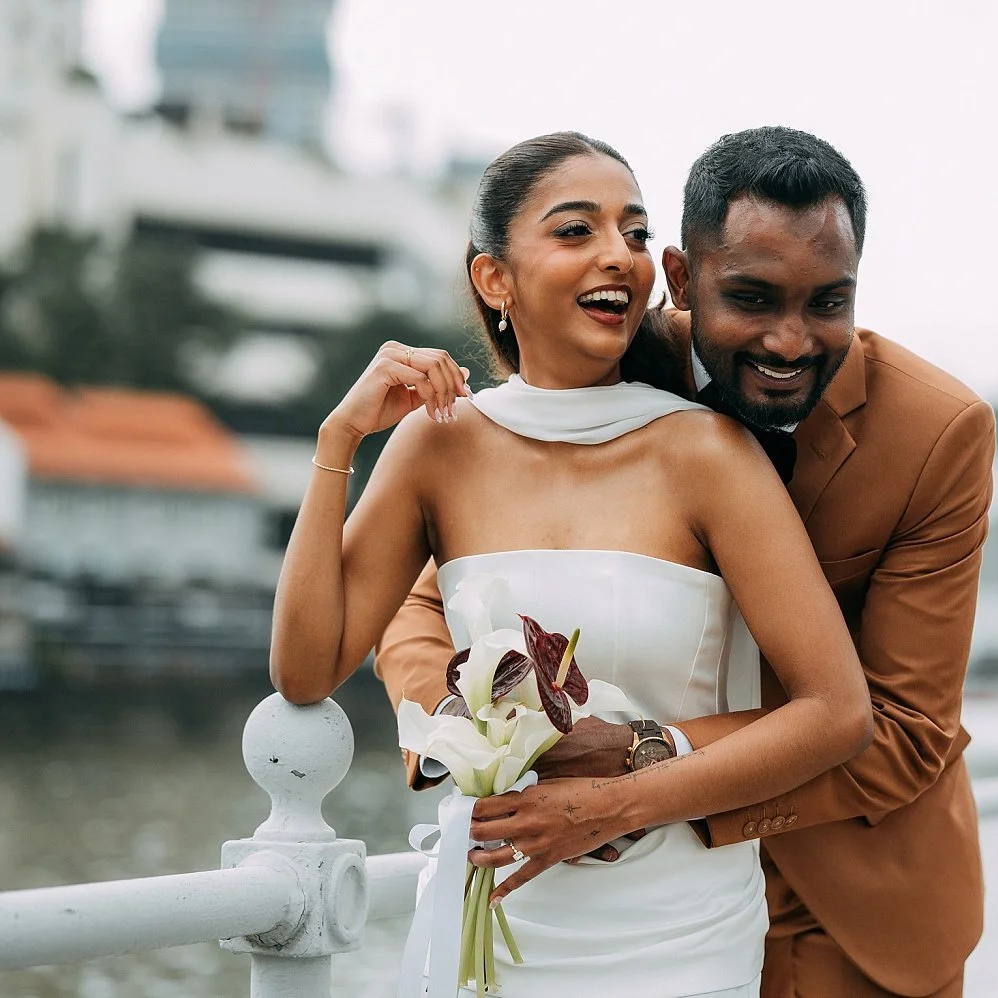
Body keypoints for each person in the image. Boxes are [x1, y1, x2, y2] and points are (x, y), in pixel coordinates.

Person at [378, 126, 994, 998]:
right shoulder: (603, 356)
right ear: (679, 277)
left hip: (854, 902)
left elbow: (904, 727)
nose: (790, 341)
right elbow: (426, 600)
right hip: (600, 901)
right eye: (751, 298)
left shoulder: (937, 434)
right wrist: (469, 726)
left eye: (828, 304)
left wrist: (644, 763)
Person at [270, 130, 874, 998]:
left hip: (674, 939)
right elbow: (303, 668)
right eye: (576, 230)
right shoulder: (435, 449)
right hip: (489, 918)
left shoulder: (709, 454)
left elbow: (834, 711)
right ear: (494, 279)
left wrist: (613, 799)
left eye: (633, 233)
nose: (618, 257)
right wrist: (338, 443)